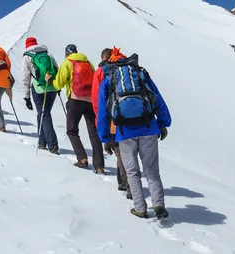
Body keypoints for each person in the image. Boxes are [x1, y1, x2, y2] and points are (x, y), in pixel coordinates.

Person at [96, 48, 172, 219]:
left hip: (125, 132)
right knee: (152, 169)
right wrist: (163, 123)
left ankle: (140, 208)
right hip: (148, 127)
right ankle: (159, 205)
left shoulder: (109, 79)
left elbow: (102, 111)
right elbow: (157, 98)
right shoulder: (140, 74)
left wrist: (106, 138)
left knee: (132, 172)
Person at [47, 44, 105, 173]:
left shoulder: (67, 63)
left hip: (75, 100)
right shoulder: (88, 62)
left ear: (66, 53)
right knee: (94, 132)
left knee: (72, 131)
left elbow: (59, 83)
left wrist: (51, 81)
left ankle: (82, 158)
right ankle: (99, 166)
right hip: (90, 101)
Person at [92, 48, 130, 197]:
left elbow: (97, 101)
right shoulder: (125, 69)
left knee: (120, 149)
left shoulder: (101, 72)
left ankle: (128, 183)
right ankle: (122, 181)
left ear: (102, 57)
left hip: (111, 117)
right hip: (129, 114)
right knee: (123, 148)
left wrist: (101, 125)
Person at [22, 37, 60, 154]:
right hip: (52, 87)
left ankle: (53, 144)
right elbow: (56, 69)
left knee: (44, 114)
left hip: (39, 88)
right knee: (43, 113)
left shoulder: (27, 56)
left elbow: (25, 77)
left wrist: (26, 96)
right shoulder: (47, 53)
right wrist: (57, 86)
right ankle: (42, 142)